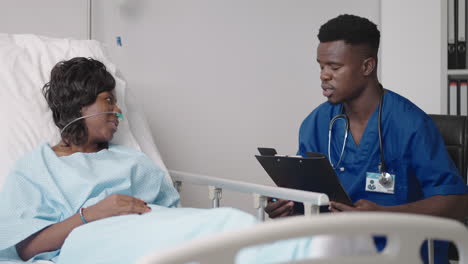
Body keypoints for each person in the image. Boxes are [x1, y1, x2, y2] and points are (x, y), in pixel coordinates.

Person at [0, 57, 320, 264]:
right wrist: (92, 214)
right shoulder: (37, 167)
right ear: (79, 104)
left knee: (225, 222)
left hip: (153, 227)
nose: (119, 113)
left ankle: (305, 252)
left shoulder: (132, 161)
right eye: (108, 101)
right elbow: (27, 249)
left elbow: (172, 214)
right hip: (92, 240)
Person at [264, 14, 468, 264]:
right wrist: (288, 209)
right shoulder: (316, 123)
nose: (324, 75)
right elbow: (312, 195)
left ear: (367, 67)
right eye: (321, 66)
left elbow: (458, 203)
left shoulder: (411, 124)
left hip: (403, 253)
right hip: (337, 251)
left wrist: (383, 216)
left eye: (334, 67)